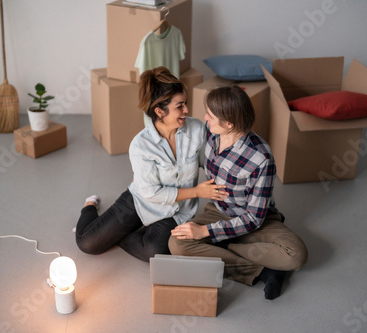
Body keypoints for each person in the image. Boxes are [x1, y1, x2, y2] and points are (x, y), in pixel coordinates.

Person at [74, 67, 228, 262]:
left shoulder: (196, 129)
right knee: (87, 243)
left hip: (176, 212)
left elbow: (210, 164)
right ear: (159, 111)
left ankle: (117, 235)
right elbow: (151, 193)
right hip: (140, 201)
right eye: (179, 106)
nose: (186, 110)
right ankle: (90, 205)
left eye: (186, 104)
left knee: (154, 252)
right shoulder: (140, 145)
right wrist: (198, 191)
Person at [169, 85, 308, 300]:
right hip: (219, 211)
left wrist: (206, 233)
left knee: (296, 255)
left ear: (229, 124)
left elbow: (253, 218)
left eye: (211, 116)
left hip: (254, 220)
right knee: (176, 243)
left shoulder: (261, 158)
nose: (205, 118)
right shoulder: (211, 135)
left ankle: (225, 244)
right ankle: (264, 271)